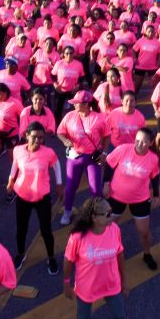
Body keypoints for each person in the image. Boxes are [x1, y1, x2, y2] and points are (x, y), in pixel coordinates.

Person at [63, 197, 131, 319]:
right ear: (94, 217)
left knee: (121, 316)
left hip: (111, 284)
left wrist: (123, 281)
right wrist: (66, 284)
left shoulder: (114, 229)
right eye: (107, 214)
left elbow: (119, 254)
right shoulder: (77, 237)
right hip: (86, 287)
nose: (111, 216)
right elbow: (68, 260)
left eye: (111, 211)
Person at [6, 122, 63, 275]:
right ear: (26, 136)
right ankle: (20, 254)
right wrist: (11, 179)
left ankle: (51, 257)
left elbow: (57, 165)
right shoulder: (18, 150)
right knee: (21, 229)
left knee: (46, 231)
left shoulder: (48, 152)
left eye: (41, 138)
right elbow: (15, 164)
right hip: (22, 196)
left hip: (41, 197)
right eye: (34, 137)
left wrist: (59, 184)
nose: (38, 141)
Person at [103, 128, 160, 270]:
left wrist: (156, 195)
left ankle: (147, 254)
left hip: (140, 199)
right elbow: (109, 164)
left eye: (144, 142)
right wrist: (106, 183)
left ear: (151, 143)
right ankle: (108, 254)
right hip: (116, 196)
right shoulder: (123, 149)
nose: (139, 145)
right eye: (137, 140)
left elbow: (155, 176)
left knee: (144, 233)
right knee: (108, 228)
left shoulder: (153, 159)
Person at [56, 90, 111, 226]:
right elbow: (60, 132)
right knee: (70, 188)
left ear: (86, 104)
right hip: (75, 158)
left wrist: (104, 153)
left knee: (95, 190)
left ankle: (97, 215)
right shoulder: (70, 116)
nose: (74, 105)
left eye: (77, 103)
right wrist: (65, 141)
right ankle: (67, 212)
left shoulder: (99, 118)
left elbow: (107, 135)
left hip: (92, 159)